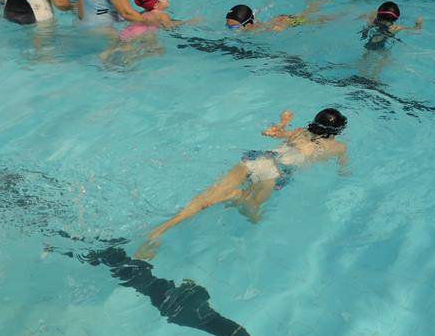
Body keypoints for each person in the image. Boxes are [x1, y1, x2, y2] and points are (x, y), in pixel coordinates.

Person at [135, 108, 348, 260]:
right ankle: (238, 196)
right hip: (274, 172)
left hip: (257, 158)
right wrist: (344, 174)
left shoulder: (300, 131)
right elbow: (343, 170)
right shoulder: (338, 147)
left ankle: (158, 232)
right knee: (253, 214)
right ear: (337, 131)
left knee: (203, 199)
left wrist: (283, 121)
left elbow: (268, 133)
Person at [225, 0, 335, 32]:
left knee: (316, 20)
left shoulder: (259, 30)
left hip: (287, 22)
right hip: (278, 20)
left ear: (248, 25)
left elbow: (273, 28)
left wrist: (280, 26)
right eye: (227, 25)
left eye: (233, 27)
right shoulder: (249, 25)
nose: (229, 29)